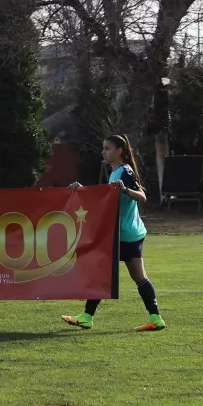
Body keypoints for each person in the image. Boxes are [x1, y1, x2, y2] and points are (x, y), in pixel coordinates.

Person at [63, 134, 166, 331]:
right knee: (137, 277)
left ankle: (86, 317)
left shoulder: (124, 172)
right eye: (103, 148)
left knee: (100, 272)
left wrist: (126, 189)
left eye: (107, 148)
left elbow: (142, 197)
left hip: (123, 235)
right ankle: (156, 318)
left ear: (120, 151)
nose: (103, 151)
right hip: (130, 234)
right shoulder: (116, 172)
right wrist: (81, 189)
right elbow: (104, 197)